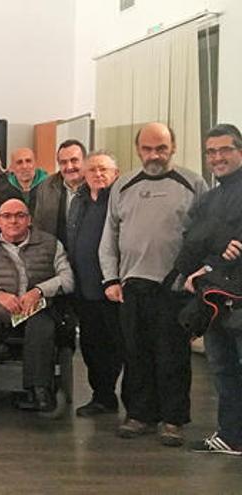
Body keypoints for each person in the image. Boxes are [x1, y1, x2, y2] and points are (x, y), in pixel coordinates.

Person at [99, 122, 208, 446]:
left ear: (173, 147)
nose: (154, 155)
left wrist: (194, 277)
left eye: (161, 148)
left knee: (172, 355)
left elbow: (204, 236)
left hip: (174, 287)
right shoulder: (124, 185)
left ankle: (173, 419)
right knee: (136, 353)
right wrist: (111, 278)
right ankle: (139, 415)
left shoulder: (193, 184)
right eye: (147, 148)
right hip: (132, 284)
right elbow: (110, 236)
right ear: (138, 150)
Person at [0, 199, 74, 411]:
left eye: (20, 215)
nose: (13, 220)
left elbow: (68, 280)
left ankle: (39, 389)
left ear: (29, 219)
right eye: (6, 216)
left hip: (37, 307)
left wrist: (39, 290)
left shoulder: (50, 244)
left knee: (42, 327)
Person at [175, 123, 242, 455]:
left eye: (225, 149)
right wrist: (202, 266)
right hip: (213, 300)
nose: (218, 157)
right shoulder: (209, 199)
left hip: (239, 298)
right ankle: (231, 436)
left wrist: (216, 261)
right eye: (211, 151)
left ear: (240, 150)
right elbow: (192, 244)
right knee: (222, 367)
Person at [66, 151, 125, 417]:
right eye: (92, 170)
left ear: (116, 173)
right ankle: (102, 397)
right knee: (91, 346)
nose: (98, 175)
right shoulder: (79, 201)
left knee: (118, 347)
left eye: (103, 169)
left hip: (113, 288)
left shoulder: (121, 201)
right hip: (84, 287)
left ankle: (135, 404)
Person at [33, 139, 87, 246]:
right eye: (63, 162)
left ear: (85, 161)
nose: (69, 167)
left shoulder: (95, 185)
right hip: (56, 255)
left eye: (74, 160)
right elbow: (39, 226)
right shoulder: (46, 187)